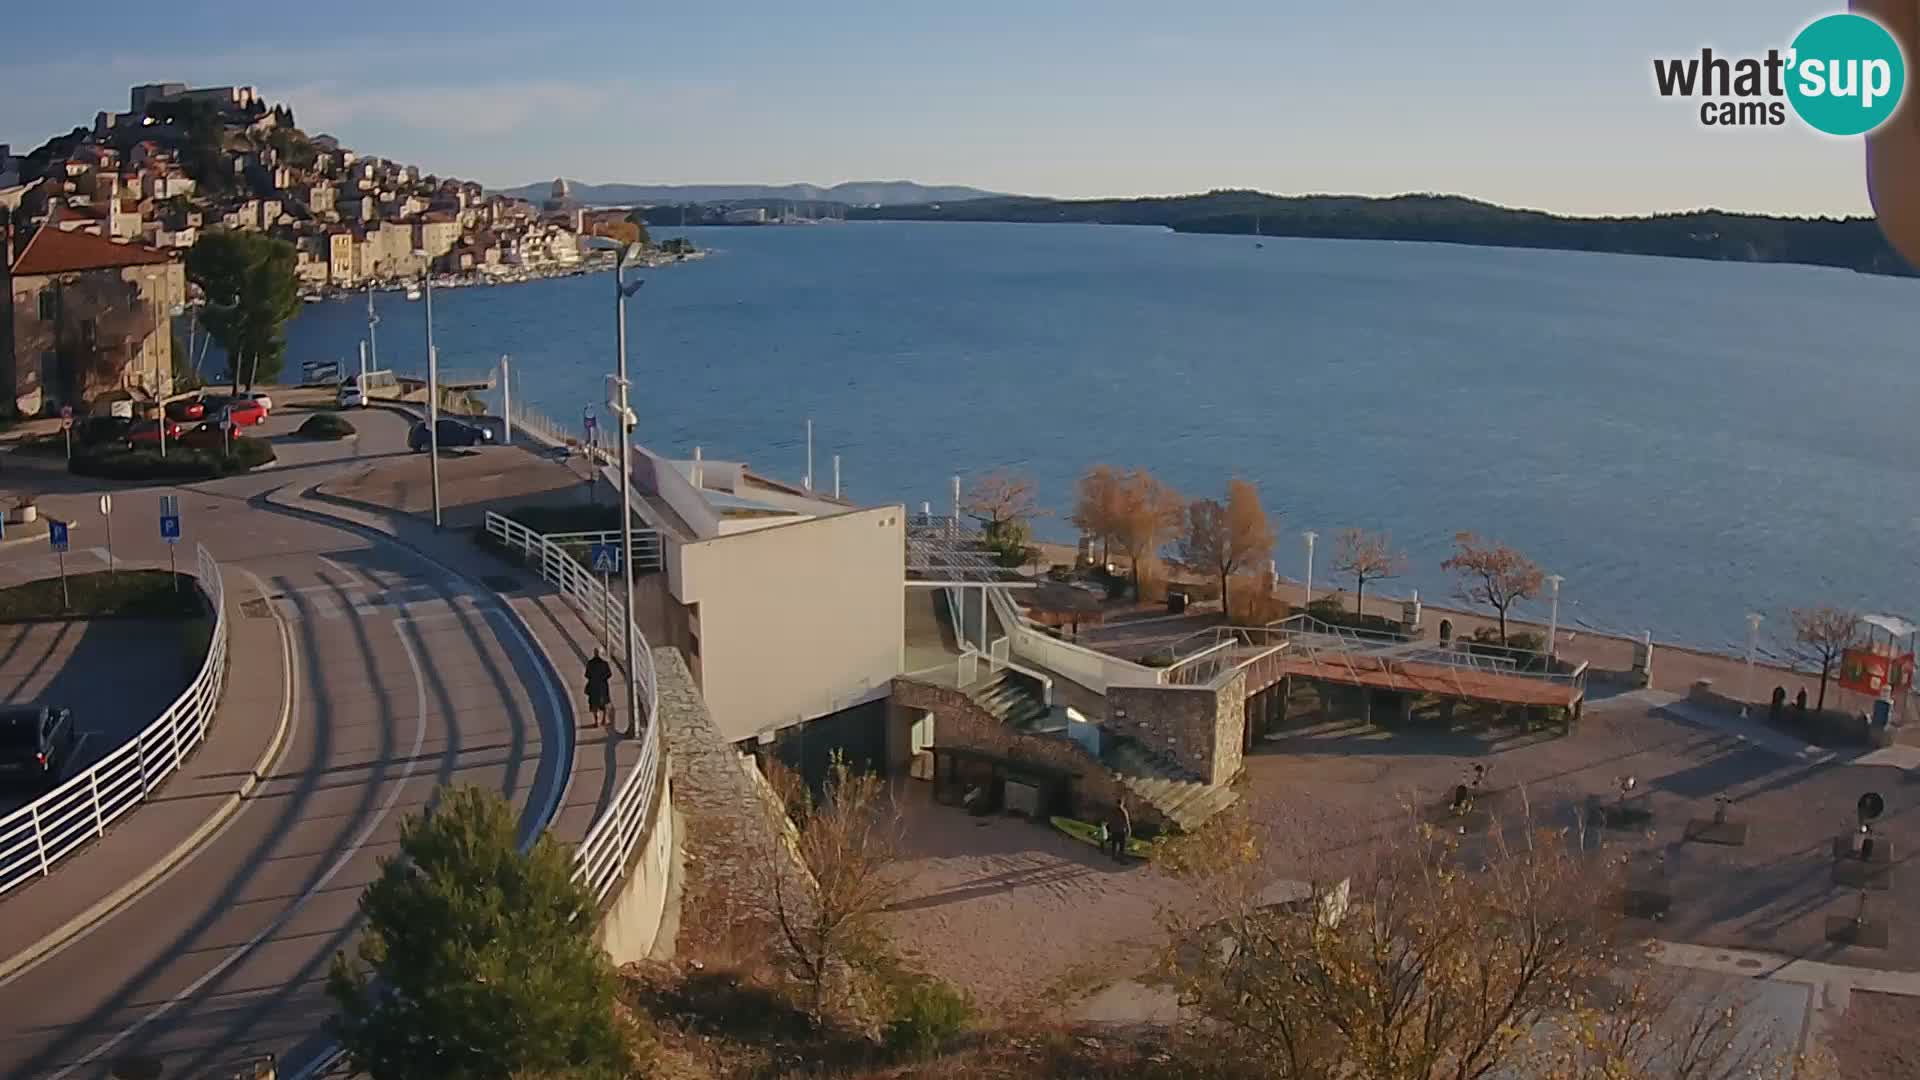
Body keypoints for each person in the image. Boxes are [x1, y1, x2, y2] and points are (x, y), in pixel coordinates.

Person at [584, 650, 613, 728]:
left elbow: (587, 675)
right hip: (602, 686)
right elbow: (609, 674)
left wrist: (593, 678)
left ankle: (596, 721)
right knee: (604, 703)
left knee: (594, 705)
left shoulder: (590, 663)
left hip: (593, 685)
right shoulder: (604, 664)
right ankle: (603, 720)